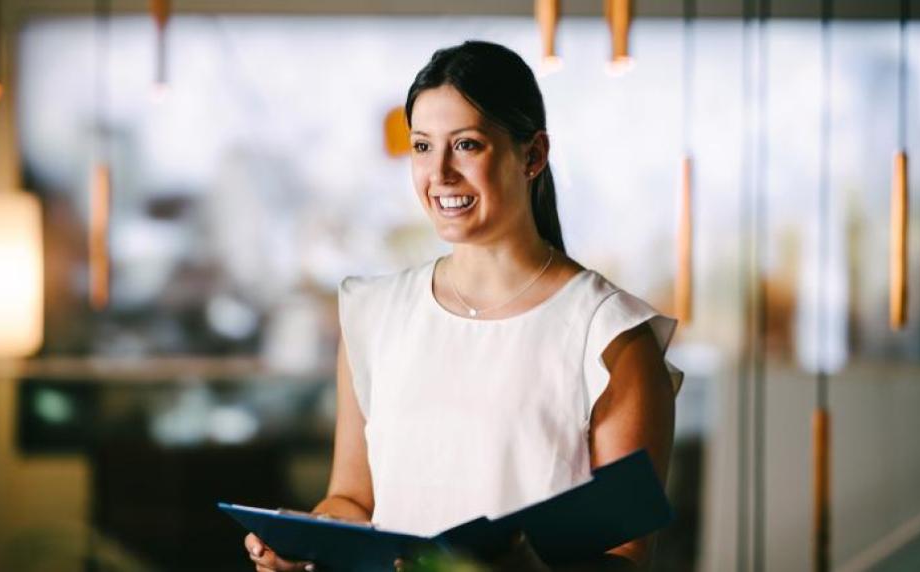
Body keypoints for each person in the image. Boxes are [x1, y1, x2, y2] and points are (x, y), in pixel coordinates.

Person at [245, 40, 682, 571]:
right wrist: (309, 544)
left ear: (533, 155)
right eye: (423, 147)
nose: (441, 173)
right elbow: (353, 501)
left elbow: (627, 555)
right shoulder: (373, 315)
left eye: (467, 145)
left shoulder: (610, 337)